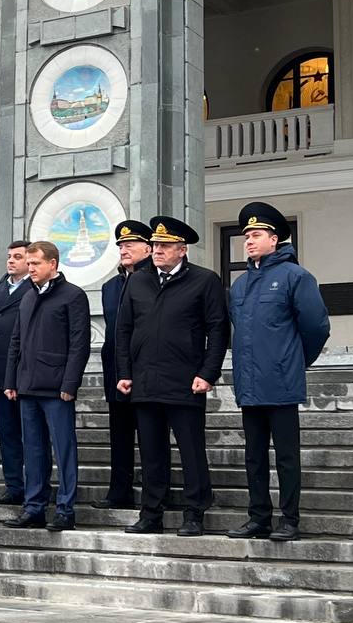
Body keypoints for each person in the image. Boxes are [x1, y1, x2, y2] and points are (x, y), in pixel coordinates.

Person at [116, 216, 229, 537]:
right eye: (154, 245)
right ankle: (151, 513)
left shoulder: (204, 281)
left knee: (191, 451)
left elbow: (218, 330)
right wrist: (124, 372)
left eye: (165, 246)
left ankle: (194, 512)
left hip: (185, 380)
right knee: (151, 452)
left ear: (183, 249)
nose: (157, 251)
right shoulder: (138, 281)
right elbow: (124, 330)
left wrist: (208, 373)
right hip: (145, 380)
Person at [227, 202, 330, 543]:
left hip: (282, 382)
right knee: (254, 457)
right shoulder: (240, 286)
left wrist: (297, 362)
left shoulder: (295, 277)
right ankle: (258, 517)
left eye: (256, 235)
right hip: (250, 384)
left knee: (286, 457)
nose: (249, 241)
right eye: (246, 236)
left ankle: (289, 519)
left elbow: (316, 326)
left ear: (275, 239)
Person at [2, 241, 91, 531]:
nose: (31, 269)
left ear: (53, 264)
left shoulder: (73, 296)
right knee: (34, 451)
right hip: (27, 386)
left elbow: (79, 344)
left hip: (56, 388)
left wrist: (70, 383)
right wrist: (11, 380)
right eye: (29, 264)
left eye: (36, 263)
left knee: (63, 449)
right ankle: (34, 507)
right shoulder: (27, 297)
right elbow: (16, 340)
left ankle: (66, 509)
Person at [95, 220, 153, 510]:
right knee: (119, 434)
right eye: (120, 245)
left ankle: (156, 492)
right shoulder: (111, 286)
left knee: (150, 435)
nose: (124, 249)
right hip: (115, 368)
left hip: (144, 369)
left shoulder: (153, 280)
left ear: (148, 247)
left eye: (130, 244)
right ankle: (119, 491)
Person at [0, 241, 29, 506]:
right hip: (1, 371)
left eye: (18, 257)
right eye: (9, 256)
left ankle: (35, 486)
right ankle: (13, 485)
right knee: (7, 434)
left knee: (30, 434)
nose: (11, 261)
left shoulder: (33, 289)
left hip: (25, 371)